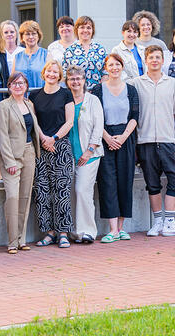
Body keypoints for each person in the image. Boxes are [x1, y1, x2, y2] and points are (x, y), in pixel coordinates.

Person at [128, 46, 175, 237]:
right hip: (145, 140)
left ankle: (170, 222)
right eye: (151, 57)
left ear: (163, 61)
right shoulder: (135, 83)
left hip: (168, 140)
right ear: (145, 60)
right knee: (152, 182)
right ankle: (157, 222)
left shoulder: (172, 84)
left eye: (158, 57)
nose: (154, 60)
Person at [92, 54, 139, 243]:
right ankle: (112, 230)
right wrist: (108, 138)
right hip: (105, 137)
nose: (114, 68)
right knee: (108, 182)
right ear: (106, 68)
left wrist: (124, 137)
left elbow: (135, 117)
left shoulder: (131, 90)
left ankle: (121, 228)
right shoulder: (98, 89)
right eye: (110, 65)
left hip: (126, 137)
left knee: (125, 181)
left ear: (122, 66)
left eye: (117, 64)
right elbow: (96, 117)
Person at [30, 60, 75, 248]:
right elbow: (33, 121)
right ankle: (49, 233)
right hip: (41, 147)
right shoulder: (34, 95)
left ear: (60, 76)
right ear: (43, 73)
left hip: (60, 147)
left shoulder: (66, 94)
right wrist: (43, 138)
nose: (52, 74)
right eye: (49, 71)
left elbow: (70, 122)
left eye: (55, 72)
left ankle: (63, 233)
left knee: (61, 191)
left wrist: (54, 138)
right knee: (42, 191)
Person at [0, 72, 40, 254]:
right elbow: (2, 135)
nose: (18, 86)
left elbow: (34, 129)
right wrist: (9, 161)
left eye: (21, 83)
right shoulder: (3, 106)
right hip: (12, 157)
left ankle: (22, 239)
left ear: (26, 86)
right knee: (13, 197)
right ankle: (12, 241)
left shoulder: (29, 104)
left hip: (29, 153)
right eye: (14, 83)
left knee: (25, 197)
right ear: (9, 86)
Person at [67, 66, 104, 243]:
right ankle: (74, 231)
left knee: (82, 191)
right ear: (67, 82)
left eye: (78, 78)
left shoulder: (92, 100)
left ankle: (87, 231)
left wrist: (90, 150)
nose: (75, 82)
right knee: (72, 193)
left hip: (89, 154)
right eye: (72, 79)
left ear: (84, 80)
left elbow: (99, 126)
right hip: (69, 155)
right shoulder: (65, 100)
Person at [63, 16, 107, 88]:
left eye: (88, 28)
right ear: (77, 30)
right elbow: (64, 73)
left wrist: (99, 88)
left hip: (96, 92)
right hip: (75, 91)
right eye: (82, 27)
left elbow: (106, 72)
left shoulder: (100, 49)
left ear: (92, 30)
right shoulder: (70, 50)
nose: (85, 30)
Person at [13, 20, 48, 89]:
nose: (31, 37)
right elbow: (13, 80)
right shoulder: (17, 57)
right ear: (22, 37)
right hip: (21, 95)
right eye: (27, 34)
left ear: (38, 36)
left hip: (41, 94)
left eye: (34, 34)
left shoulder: (46, 55)